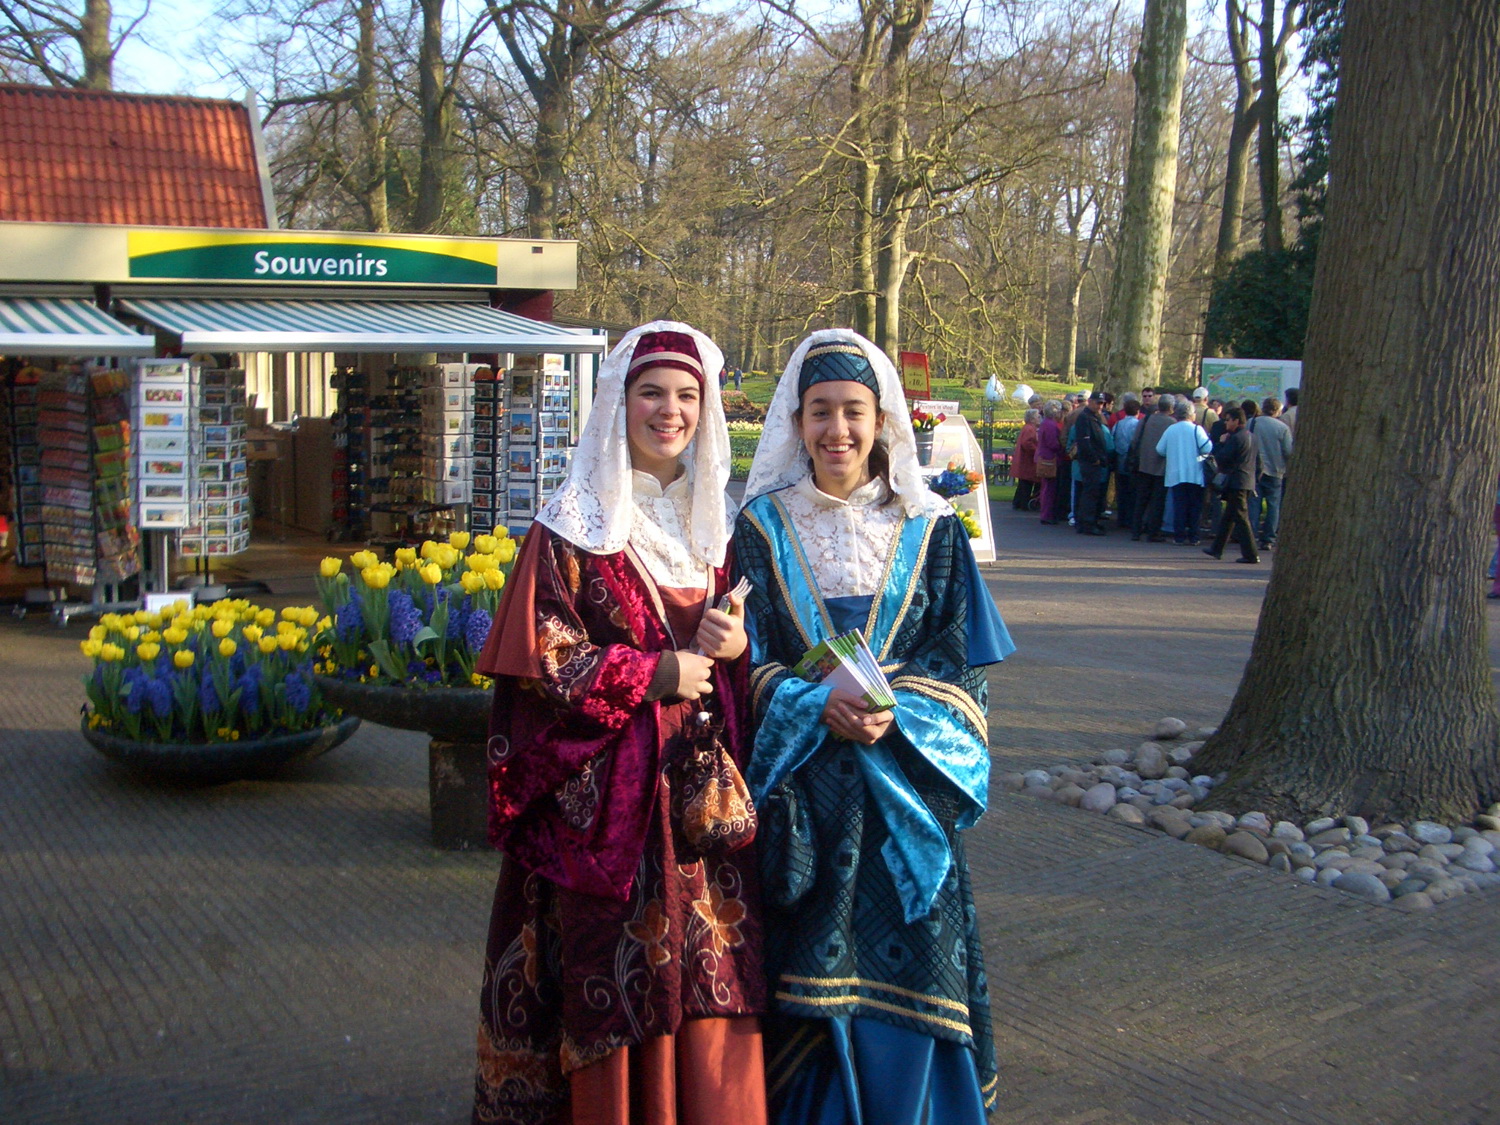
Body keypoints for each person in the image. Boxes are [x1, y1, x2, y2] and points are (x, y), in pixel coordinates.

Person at [470, 323, 767, 1125]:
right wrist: (655, 674)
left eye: (687, 395)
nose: (670, 410)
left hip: (701, 808)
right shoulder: (570, 525)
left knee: (714, 966)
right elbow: (542, 659)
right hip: (606, 818)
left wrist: (736, 647)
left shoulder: (719, 529)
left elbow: (750, 663)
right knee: (613, 974)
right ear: (618, 401)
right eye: (651, 392)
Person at [733, 329, 1013, 1125]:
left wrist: (896, 713)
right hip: (806, 799)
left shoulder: (933, 528)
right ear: (796, 422)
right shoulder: (758, 527)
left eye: (853, 410)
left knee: (919, 959)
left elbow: (959, 662)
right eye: (820, 411)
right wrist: (813, 703)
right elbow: (743, 662)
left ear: (881, 418)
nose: (837, 429)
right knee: (802, 974)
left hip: (905, 796)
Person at [1203, 406, 1261, 564]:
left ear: (1236, 421)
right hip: (1247, 480)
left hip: (1237, 482)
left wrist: (1221, 443)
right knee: (1229, 516)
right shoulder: (1252, 437)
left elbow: (1222, 458)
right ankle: (1217, 548)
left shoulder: (1235, 438)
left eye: (1228, 420)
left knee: (1241, 517)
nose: (1226, 423)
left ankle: (1251, 553)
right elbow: (1259, 463)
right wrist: (1255, 478)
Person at [1156, 399, 1212, 546]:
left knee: (1179, 506)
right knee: (1195, 506)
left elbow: (1160, 449)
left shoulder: (1171, 429)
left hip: (1175, 474)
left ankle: (1179, 536)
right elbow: (1207, 448)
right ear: (1191, 414)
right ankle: (1194, 536)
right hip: (1195, 473)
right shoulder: (1197, 429)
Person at [1249, 397, 1293, 550]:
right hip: (1275, 470)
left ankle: (1251, 536)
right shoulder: (1282, 428)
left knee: (1253, 504)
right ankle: (1268, 538)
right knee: (1273, 505)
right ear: (1278, 411)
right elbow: (1288, 451)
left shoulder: (1252, 423)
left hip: (1254, 470)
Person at [1132, 395, 1174, 541]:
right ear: (1171, 407)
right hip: (1162, 466)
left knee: (1141, 500)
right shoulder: (1171, 423)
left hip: (1144, 464)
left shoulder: (1146, 419)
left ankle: (1136, 530)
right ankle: (1153, 532)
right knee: (1157, 501)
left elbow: (1135, 440)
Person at [1073, 390, 1112, 535]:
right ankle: (1087, 524)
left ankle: (1090, 521)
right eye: (1098, 403)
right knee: (1089, 495)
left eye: (1102, 403)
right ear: (1090, 402)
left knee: (1093, 494)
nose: (1100, 406)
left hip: (1095, 461)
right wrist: (1094, 459)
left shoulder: (1094, 417)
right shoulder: (1084, 418)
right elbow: (1085, 442)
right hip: (1090, 462)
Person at [1112, 397, 1143, 529]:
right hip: (1132, 462)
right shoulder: (1138, 425)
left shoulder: (1118, 424)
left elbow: (1113, 438)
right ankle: (1130, 518)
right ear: (1138, 411)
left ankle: (1121, 517)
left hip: (1119, 459)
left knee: (1121, 491)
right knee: (1133, 491)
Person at [1036, 400, 1066, 524]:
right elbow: (1053, 444)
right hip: (1050, 459)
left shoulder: (1045, 423)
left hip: (1044, 457)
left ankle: (1046, 514)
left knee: (1046, 487)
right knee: (1049, 489)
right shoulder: (1051, 425)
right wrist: (1062, 447)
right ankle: (1047, 515)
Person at [1013, 407, 1041, 512]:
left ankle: (1018, 502)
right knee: (1027, 483)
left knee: (1023, 484)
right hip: (1028, 460)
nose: (1039, 418)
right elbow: (1027, 443)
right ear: (1032, 419)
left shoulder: (1027, 428)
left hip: (1025, 460)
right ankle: (1023, 504)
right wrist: (1037, 451)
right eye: (1037, 417)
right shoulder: (1030, 429)